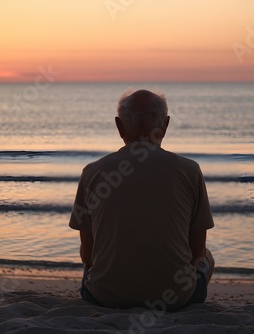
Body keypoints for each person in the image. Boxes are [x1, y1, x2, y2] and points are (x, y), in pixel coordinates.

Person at [69, 89, 215, 311]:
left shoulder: (92, 172)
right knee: (208, 257)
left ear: (119, 127)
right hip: (175, 299)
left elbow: (88, 256)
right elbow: (197, 253)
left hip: (105, 297)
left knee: (94, 267)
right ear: (165, 126)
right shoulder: (189, 171)